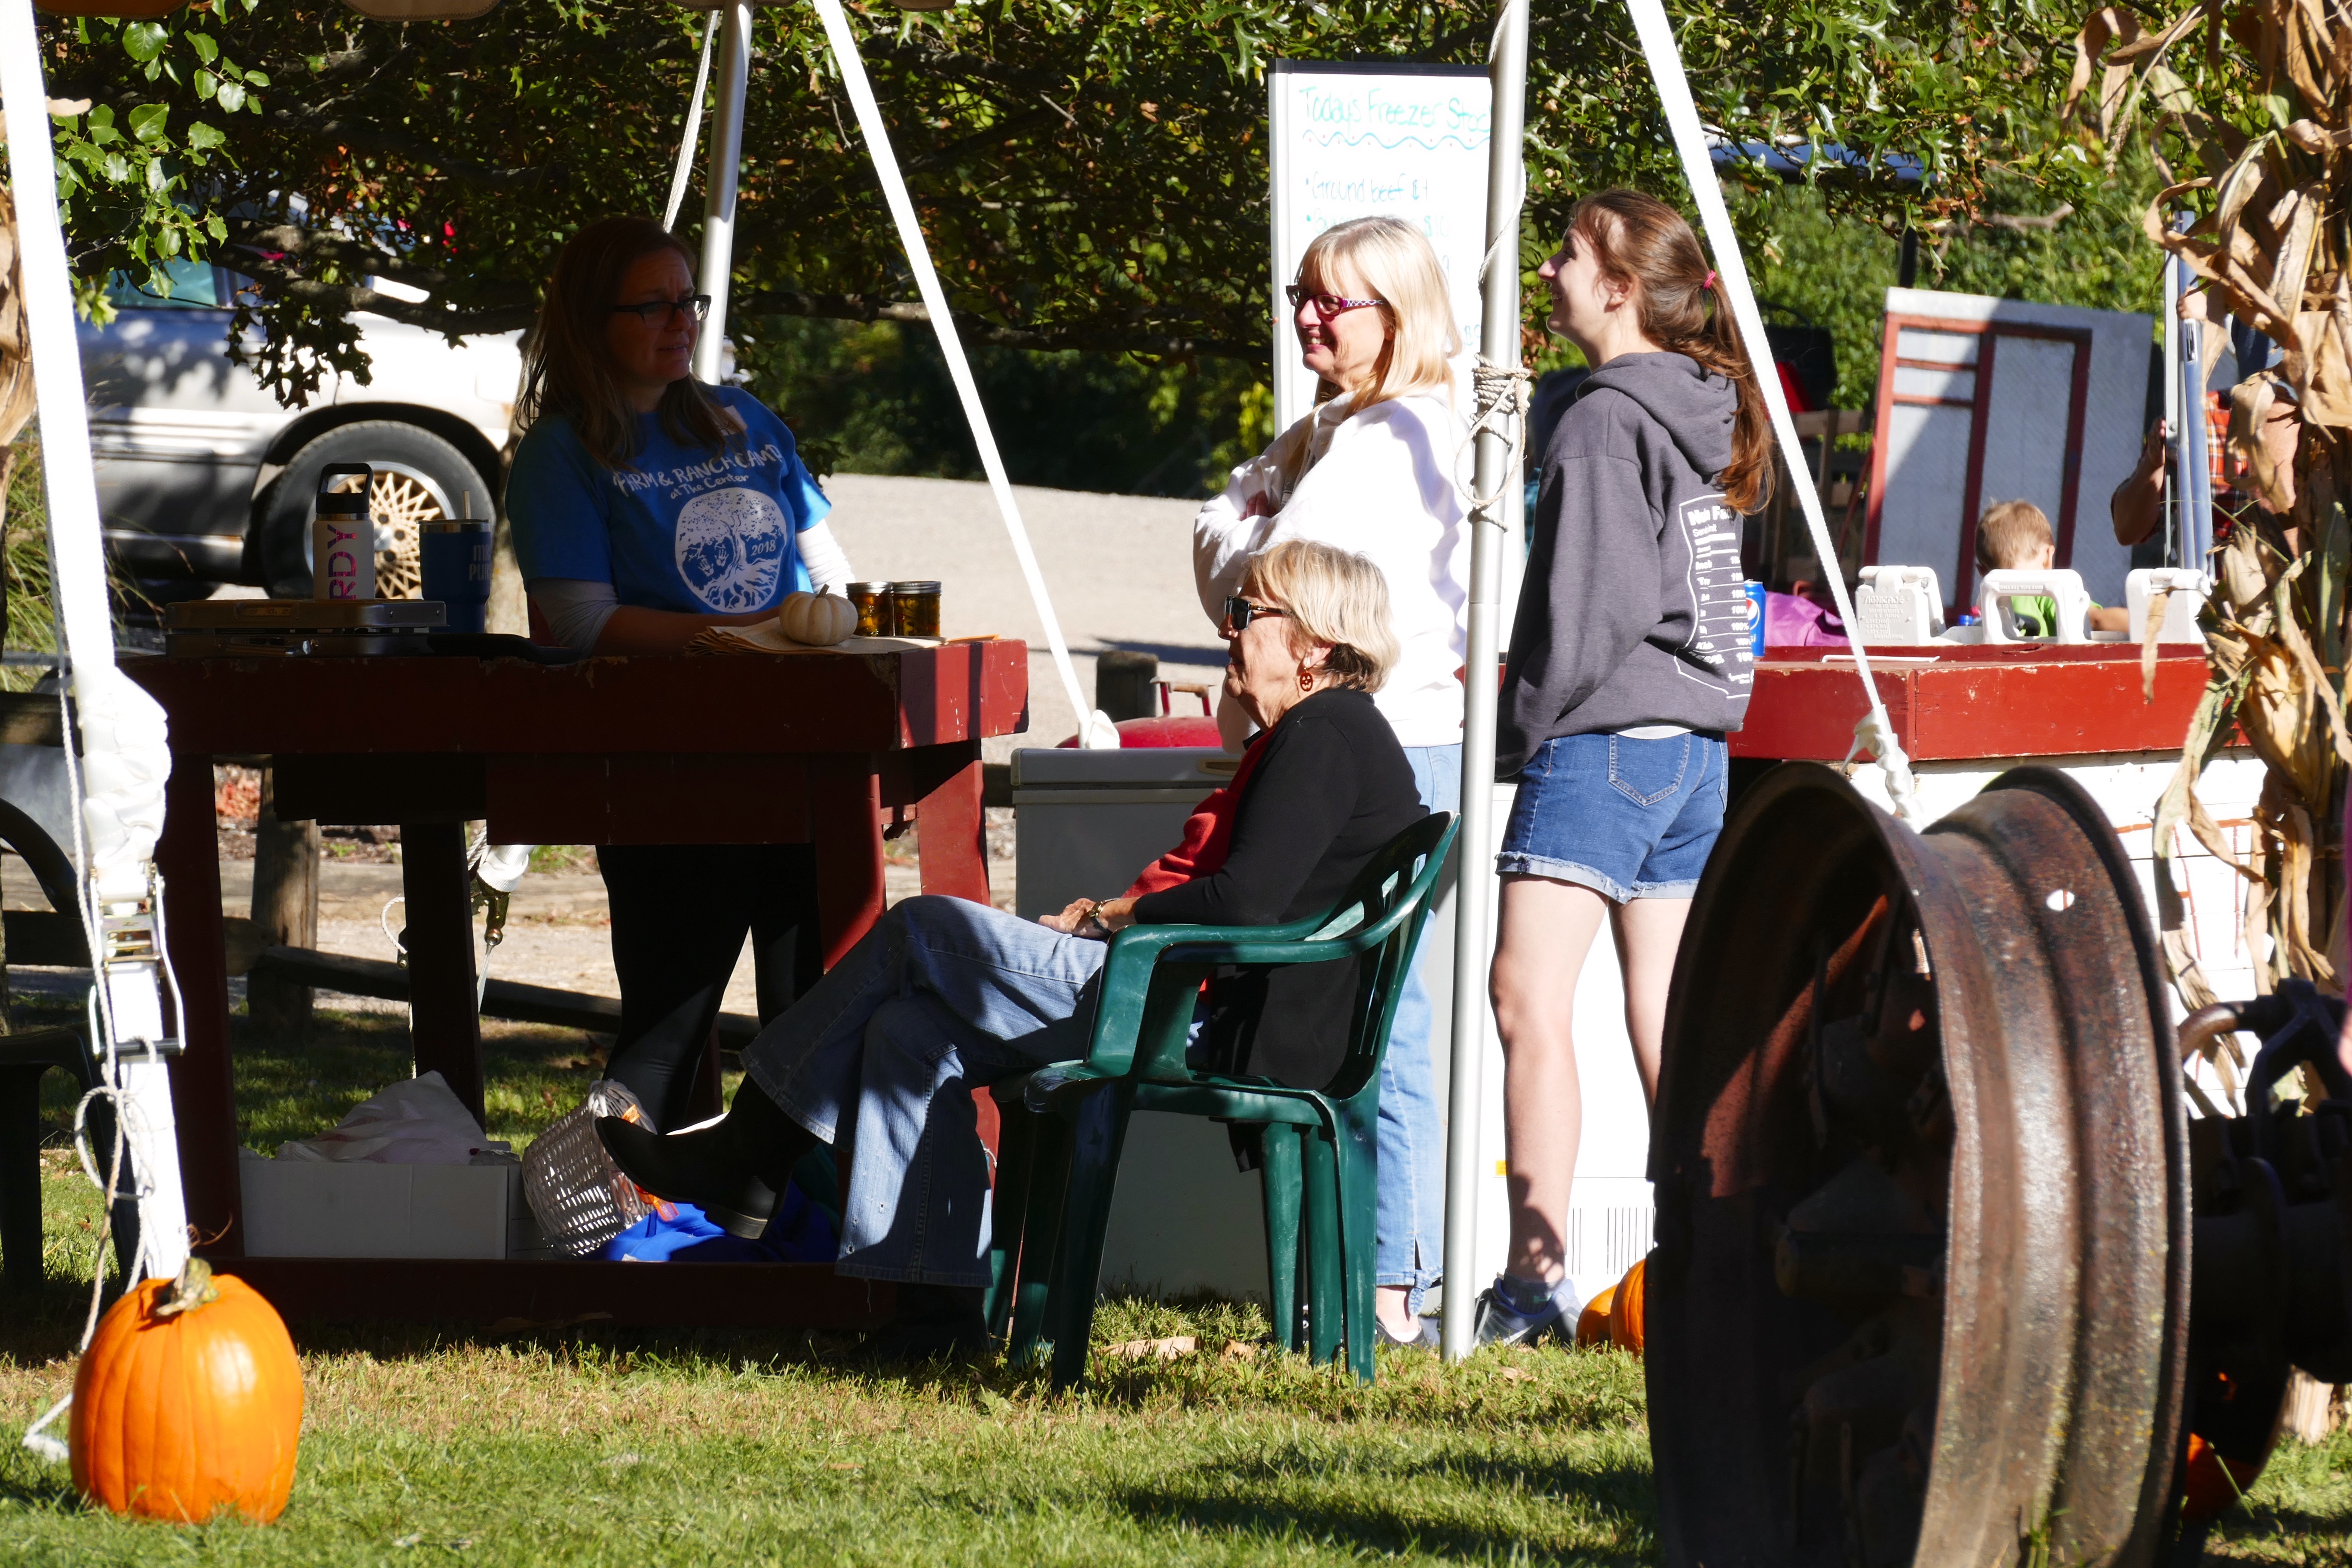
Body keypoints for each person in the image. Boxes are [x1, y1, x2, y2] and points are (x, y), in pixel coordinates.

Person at [597, 540, 1427, 1354]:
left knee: (921, 928)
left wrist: (1112, 916)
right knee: (910, 1034)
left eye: (1244, 614)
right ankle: (936, 1316)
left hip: (1182, 1000)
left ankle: (751, 1149)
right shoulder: (1317, 733)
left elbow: (1244, 902)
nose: (1225, 630)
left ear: (1312, 643)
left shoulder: (1326, 734)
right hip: (1177, 985)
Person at [1480, 188, 1761, 1346]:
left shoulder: (1605, 423)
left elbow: (1584, 608)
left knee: (1526, 1000)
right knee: (1670, 1018)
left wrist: (1523, 720)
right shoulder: (1698, 406)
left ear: (1619, 288)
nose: (1547, 271)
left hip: (1602, 738)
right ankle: (1726, 1249)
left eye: (1568, 257)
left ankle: (1532, 1283)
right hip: (1693, 746)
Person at [507, 216, 858, 1133]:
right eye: (652, 305)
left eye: (688, 300)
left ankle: (790, 1225)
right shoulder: (564, 450)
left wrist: (827, 624)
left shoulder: (744, 416)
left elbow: (831, 569)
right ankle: (599, 1225)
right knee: (669, 1026)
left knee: (812, 1016)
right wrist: (742, 633)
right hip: (670, 765)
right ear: (592, 320)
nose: (682, 321)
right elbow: (577, 623)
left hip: (801, 753)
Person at [1193, 215, 1472, 1349]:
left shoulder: (1374, 444)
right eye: (1300, 293)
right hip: (1412, 740)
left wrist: (1234, 522)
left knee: (1373, 1013)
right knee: (1382, 1009)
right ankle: (1390, 1275)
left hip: (1373, 745)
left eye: (1334, 300)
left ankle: (1392, 1281)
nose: (1309, 315)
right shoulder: (1378, 429)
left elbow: (1249, 583)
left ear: (1396, 316)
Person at [1975, 499, 2129, 636]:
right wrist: (2149, 622)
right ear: (2048, 556)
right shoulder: (2048, 594)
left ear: (1982, 572)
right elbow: (2096, 620)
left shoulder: (1986, 604)